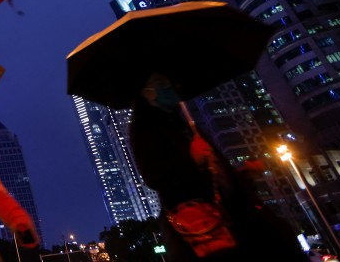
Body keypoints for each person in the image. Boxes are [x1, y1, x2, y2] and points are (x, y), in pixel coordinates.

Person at [129, 72, 307, 262]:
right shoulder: (144, 128)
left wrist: (243, 174)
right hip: (203, 226)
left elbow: (213, 176)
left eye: (168, 82)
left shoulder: (183, 124)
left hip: (233, 214)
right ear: (147, 93)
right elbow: (156, 177)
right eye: (160, 84)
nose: (169, 88)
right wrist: (195, 160)